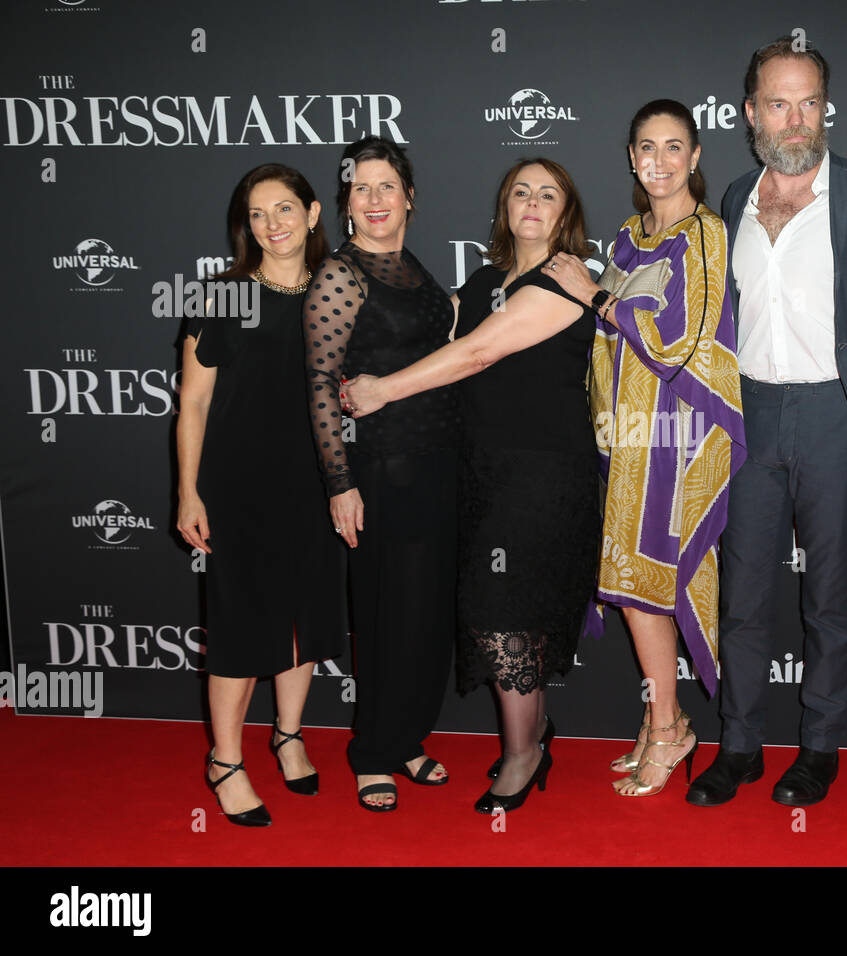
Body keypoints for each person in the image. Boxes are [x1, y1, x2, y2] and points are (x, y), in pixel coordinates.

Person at [687, 39, 847, 809]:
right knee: (743, 595)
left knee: (830, 601)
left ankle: (819, 748)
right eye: (779, 103)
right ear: (751, 112)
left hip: (834, 416)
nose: (796, 119)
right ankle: (740, 745)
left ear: (826, 109)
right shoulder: (734, 201)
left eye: (809, 102)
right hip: (749, 414)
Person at [340, 158, 600, 814]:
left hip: (542, 475)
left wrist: (382, 391)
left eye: (549, 194)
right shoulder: (485, 279)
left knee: (507, 615)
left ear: (565, 213)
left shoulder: (564, 281)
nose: (533, 202)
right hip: (478, 472)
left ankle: (521, 757)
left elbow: (476, 352)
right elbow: (428, 328)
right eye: (521, 191)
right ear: (504, 206)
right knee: (510, 613)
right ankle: (533, 733)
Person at [547, 99, 745, 797]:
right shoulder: (629, 236)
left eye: (673, 146)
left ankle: (668, 728)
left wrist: (597, 297)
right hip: (630, 436)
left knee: (648, 587)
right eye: (646, 147)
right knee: (636, 588)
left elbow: (679, 342)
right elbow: (611, 354)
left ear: (694, 157)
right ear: (632, 158)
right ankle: (664, 719)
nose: (658, 160)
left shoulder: (707, 232)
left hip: (678, 436)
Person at [176, 163, 346, 827]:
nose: (272, 225)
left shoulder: (337, 292)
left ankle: (289, 734)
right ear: (245, 227)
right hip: (238, 486)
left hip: (317, 484)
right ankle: (224, 760)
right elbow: (190, 402)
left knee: (304, 617)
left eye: (284, 209)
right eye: (257, 215)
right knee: (243, 628)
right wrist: (188, 493)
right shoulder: (223, 297)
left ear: (311, 214)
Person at [305, 136, 460, 812]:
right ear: (345, 204)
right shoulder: (341, 275)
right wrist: (340, 482)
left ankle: (406, 739)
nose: (374, 200)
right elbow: (319, 383)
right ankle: (371, 751)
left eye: (386, 187)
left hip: (437, 468)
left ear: (409, 199)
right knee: (385, 615)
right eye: (360, 189)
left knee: (427, 615)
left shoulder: (415, 269)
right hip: (377, 469)